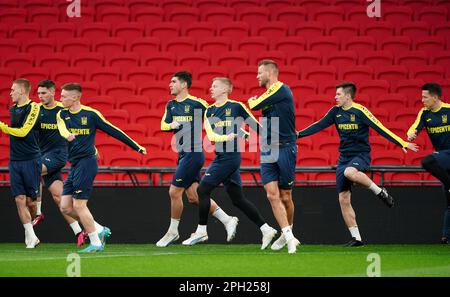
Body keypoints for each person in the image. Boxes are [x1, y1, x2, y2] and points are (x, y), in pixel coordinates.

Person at [297, 82, 418, 246]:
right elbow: (319, 125)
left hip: (360, 155)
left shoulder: (360, 111)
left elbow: (380, 127)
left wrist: (401, 142)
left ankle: (380, 191)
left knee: (349, 173)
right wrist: (298, 135)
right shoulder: (335, 112)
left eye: (338, 94)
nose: (335, 97)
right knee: (343, 199)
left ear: (348, 96)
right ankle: (357, 238)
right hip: (344, 157)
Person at [182, 77, 277, 248]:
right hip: (222, 156)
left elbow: (254, 125)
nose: (211, 88)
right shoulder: (209, 111)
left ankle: (201, 231)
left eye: (215, 86)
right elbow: (211, 135)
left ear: (225, 90)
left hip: (230, 157)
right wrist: (235, 135)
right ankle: (266, 229)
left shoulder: (236, 106)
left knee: (202, 190)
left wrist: (273, 139)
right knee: (237, 199)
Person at [56, 83, 146, 253]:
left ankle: (96, 241)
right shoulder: (62, 113)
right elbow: (61, 127)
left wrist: (136, 146)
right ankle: (99, 228)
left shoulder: (90, 114)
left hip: (87, 162)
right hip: (74, 164)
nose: (60, 99)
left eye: (64, 96)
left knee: (79, 205)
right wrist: (66, 135)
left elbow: (113, 130)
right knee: (65, 207)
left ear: (75, 97)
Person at [158, 71, 237, 247]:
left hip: (193, 153)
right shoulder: (170, 105)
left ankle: (172, 232)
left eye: (173, 82)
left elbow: (214, 114)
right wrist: (171, 125)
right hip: (182, 154)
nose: (170, 85)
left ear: (184, 85)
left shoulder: (197, 103)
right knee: (194, 197)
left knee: (174, 192)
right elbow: (163, 124)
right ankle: (227, 219)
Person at [248, 60, 300, 254]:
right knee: (272, 195)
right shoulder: (270, 95)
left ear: (270, 73)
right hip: (268, 149)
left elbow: (254, 105)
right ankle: (288, 237)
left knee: (286, 196)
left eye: (260, 72)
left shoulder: (282, 89)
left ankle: (288, 232)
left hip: (286, 148)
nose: (257, 76)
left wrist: (253, 101)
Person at [30, 80, 88, 246]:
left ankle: (38, 212)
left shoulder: (62, 110)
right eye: (38, 93)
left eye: (44, 93)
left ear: (52, 92)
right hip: (43, 156)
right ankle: (82, 230)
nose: (40, 97)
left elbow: (79, 126)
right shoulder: (36, 110)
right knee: (60, 198)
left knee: (32, 170)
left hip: (58, 154)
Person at [0, 79, 41, 248]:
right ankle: (32, 237)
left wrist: (3, 128)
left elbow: (24, 131)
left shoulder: (34, 107)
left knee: (31, 202)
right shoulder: (12, 109)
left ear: (22, 92)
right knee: (19, 199)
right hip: (15, 160)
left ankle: (30, 228)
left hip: (31, 159)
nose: (10, 93)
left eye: (13, 90)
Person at [407, 83, 450, 244]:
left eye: (425, 97)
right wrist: (411, 134)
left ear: (435, 97)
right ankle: (446, 237)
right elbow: (414, 127)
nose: (422, 100)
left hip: (446, 154)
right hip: (444, 161)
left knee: (427, 161)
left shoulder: (448, 110)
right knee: (449, 201)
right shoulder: (425, 113)